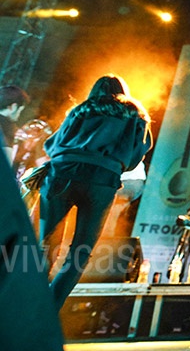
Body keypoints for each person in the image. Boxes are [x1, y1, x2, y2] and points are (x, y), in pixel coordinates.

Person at [39, 74, 153, 311]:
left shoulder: (80, 109)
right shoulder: (135, 113)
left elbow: (51, 145)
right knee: (80, 253)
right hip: (102, 179)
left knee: (46, 245)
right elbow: (136, 155)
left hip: (62, 173)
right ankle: (48, 311)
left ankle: (28, 303)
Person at [0, 85, 30, 165]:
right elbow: (5, 162)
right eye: (20, 110)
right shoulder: (8, 126)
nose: (19, 115)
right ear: (13, 107)